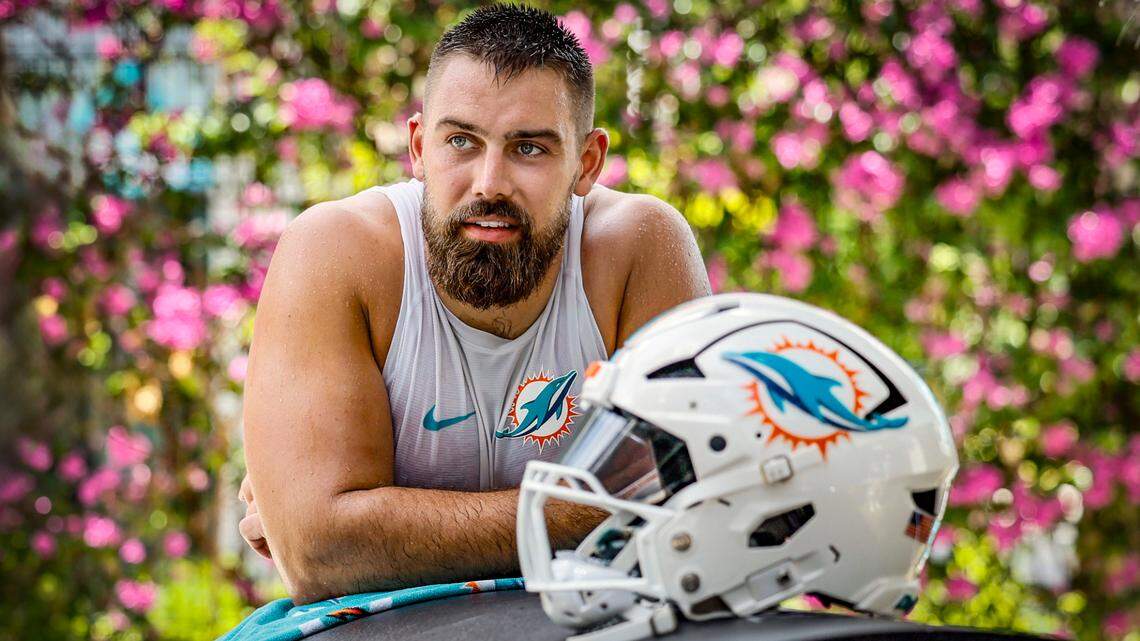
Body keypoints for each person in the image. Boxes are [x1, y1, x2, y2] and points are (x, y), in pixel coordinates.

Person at [238, 3, 710, 604]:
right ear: (417, 147)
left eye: (530, 149)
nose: (489, 182)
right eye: (461, 141)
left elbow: (696, 514)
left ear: (585, 162)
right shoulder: (338, 251)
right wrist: (598, 507)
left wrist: (374, 524)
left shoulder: (638, 249)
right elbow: (321, 556)